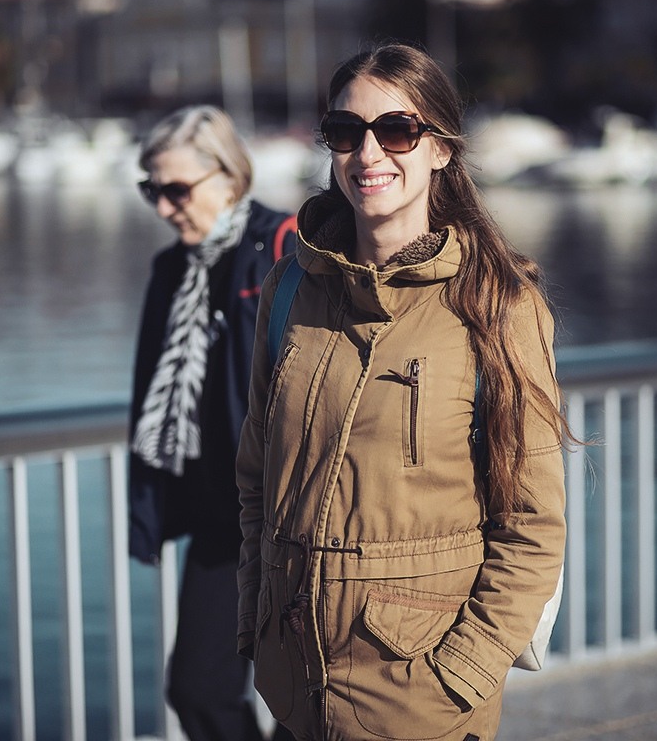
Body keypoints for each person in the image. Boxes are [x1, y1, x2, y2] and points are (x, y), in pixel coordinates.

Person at [235, 44, 570, 741]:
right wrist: (254, 626)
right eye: (345, 131)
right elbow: (256, 481)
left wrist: (460, 675)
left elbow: (532, 527)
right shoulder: (289, 289)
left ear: (441, 148)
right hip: (294, 691)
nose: (368, 153)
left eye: (396, 130)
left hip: (421, 702)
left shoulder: (497, 306)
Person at [127, 105, 297, 741]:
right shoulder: (171, 271)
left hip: (295, 513)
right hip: (223, 520)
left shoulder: (287, 250)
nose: (163, 208)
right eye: (151, 190)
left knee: (315, 702)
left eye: (176, 189)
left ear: (229, 176)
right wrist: (152, 508)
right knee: (197, 690)